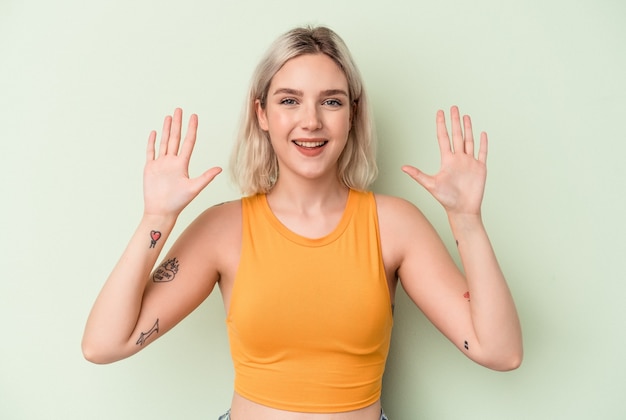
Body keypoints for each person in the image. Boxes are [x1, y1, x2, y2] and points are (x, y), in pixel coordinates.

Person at [82, 26, 522, 419]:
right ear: (262, 115)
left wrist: (467, 221)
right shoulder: (222, 230)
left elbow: (500, 352)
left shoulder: (394, 225)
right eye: (289, 100)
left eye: (330, 101)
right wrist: (156, 219)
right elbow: (103, 344)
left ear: (352, 113)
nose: (310, 121)